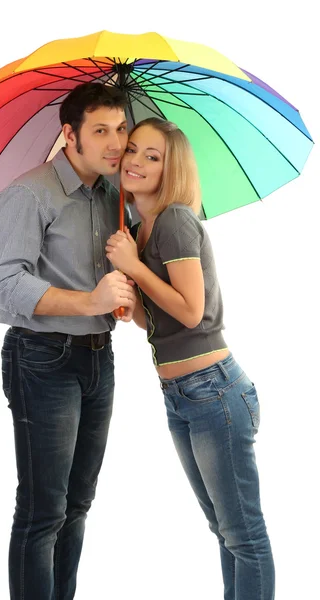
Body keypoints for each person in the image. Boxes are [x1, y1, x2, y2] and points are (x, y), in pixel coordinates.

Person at [106, 117, 275, 599]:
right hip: (181, 394)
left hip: (214, 390)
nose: (135, 161)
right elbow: (154, 321)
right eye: (132, 149)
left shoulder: (177, 220)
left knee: (245, 536)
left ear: (170, 168)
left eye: (152, 157)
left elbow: (191, 311)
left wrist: (135, 267)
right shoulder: (140, 229)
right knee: (225, 531)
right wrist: (129, 295)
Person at [0, 82, 136, 600]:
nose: (116, 143)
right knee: (43, 509)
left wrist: (126, 291)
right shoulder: (29, 194)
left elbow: (118, 286)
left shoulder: (114, 198)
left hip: (99, 359)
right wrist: (89, 301)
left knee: (77, 504)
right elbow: (6, 285)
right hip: (42, 360)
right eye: (101, 131)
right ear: (69, 134)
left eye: (121, 129)